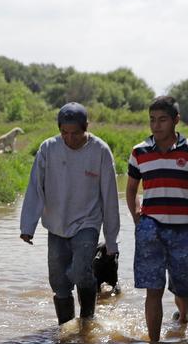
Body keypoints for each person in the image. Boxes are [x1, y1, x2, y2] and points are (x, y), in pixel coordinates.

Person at [19, 102, 120, 325]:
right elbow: (35, 187)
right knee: (58, 280)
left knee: (80, 271)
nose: (70, 139)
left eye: (75, 133)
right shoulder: (48, 149)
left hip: (87, 222)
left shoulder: (100, 151)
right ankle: (65, 329)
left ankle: (86, 323)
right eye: (64, 133)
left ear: (86, 128)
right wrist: (28, 226)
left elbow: (110, 197)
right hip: (56, 224)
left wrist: (111, 240)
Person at [126, 96, 188, 343]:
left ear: (176, 120)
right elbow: (131, 190)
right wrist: (136, 216)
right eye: (152, 120)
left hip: (183, 229)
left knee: (183, 288)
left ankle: (183, 318)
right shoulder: (139, 152)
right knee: (153, 290)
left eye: (162, 120)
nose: (156, 125)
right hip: (150, 227)